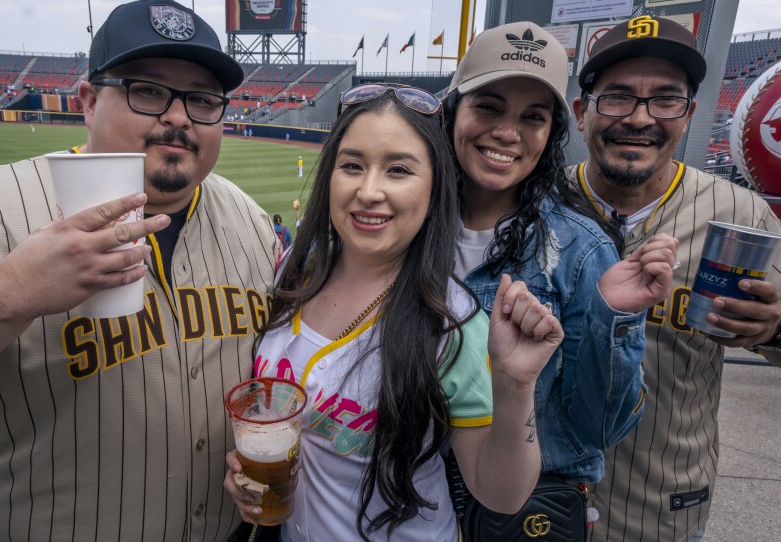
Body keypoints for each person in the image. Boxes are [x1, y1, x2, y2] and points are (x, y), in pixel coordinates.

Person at [0, 1, 279, 541]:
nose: (177, 117)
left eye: (202, 100)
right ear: (87, 101)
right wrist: (7, 292)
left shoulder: (248, 219)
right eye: (147, 90)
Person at [224, 84, 563, 541]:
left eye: (398, 170)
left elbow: (502, 496)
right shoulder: (293, 271)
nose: (369, 191)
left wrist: (515, 386)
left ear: (434, 187)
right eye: (352, 166)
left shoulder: (454, 323)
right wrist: (247, 478)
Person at [443, 20, 678, 504]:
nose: (507, 133)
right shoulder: (402, 228)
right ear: (452, 112)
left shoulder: (581, 249)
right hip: (398, 515)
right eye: (488, 106)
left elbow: (598, 431)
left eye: (533, 116)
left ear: (551, 132)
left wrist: (610, 317)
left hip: (511, 518)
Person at [568, 15, 781, 542]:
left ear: (687, 115)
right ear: (581, 113)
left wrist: (775, 329)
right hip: (535, 497)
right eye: (617, 97)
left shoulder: (741, 212)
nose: (639, 118)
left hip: (663, 502)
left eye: (665, 99)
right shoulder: (537, 204)